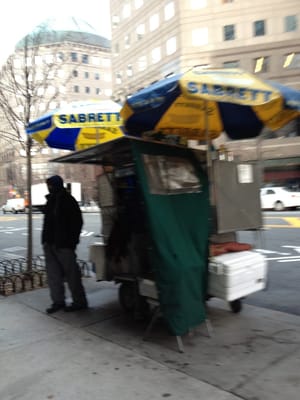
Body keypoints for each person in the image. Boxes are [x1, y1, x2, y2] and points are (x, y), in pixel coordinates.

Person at [42, 175, 88, 314]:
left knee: (71, 274)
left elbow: (77, 223)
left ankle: (79, 301)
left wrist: (71, 242)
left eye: (50, 185)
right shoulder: (51, 200)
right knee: (53, 275)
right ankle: (58, 301)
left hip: (63, 245)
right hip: (50, 243)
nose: (48, 187)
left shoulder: (67, 200)